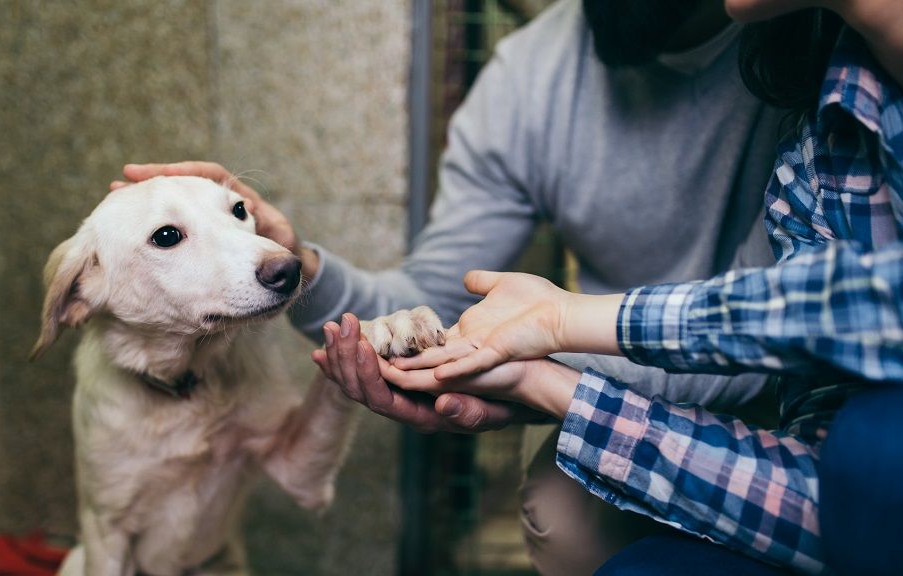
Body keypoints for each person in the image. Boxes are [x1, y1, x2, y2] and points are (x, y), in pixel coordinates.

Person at [118, 0, 786, 572]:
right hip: (617, 372)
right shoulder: (531, 75)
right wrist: (300, 269)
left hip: (794, 377)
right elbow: (432, 303)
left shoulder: (808, 48)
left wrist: (542, 375)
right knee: (561, 516)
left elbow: (802, 315)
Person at [321, 0, 903, 573]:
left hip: (759, 385)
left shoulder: (795, 56)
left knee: (871, 448)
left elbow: (822, 311)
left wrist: (563, 326)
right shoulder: (817, 143)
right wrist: (295, 273)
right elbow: (433, 290)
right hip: (671, 383)